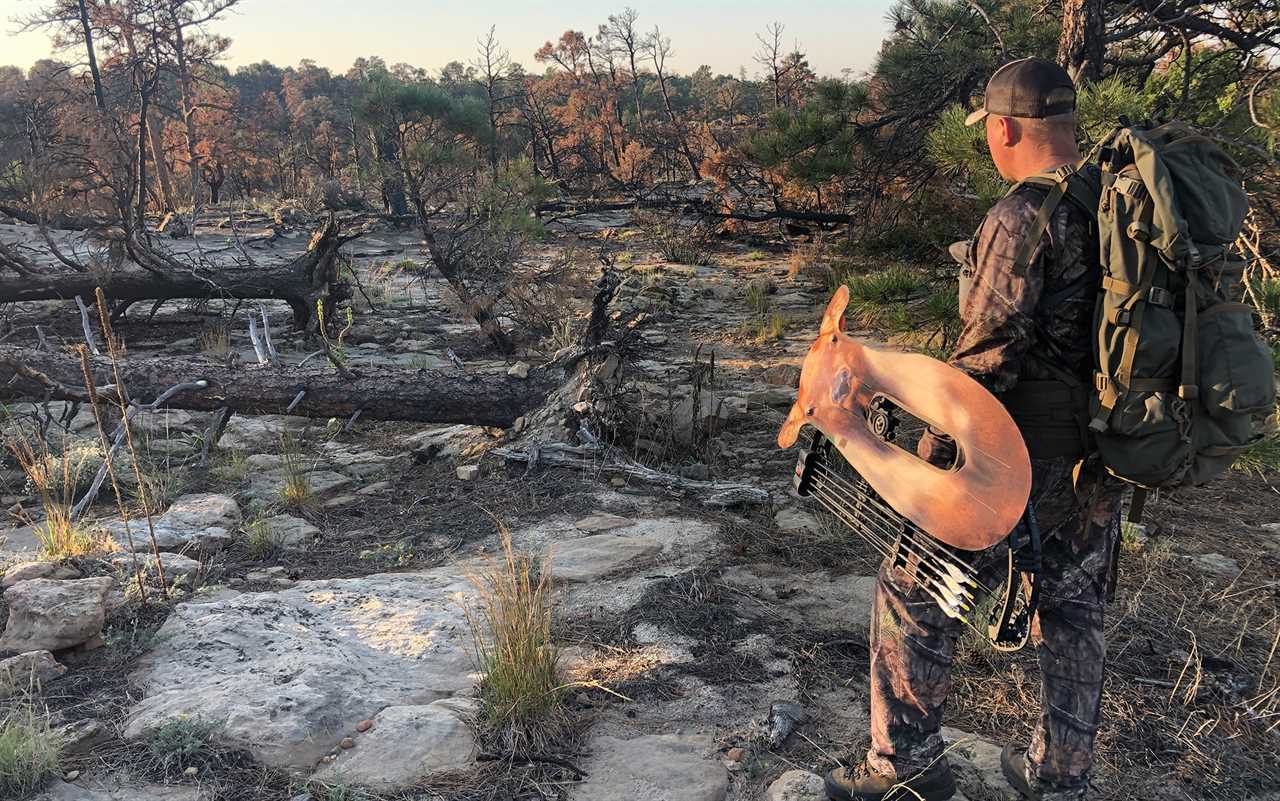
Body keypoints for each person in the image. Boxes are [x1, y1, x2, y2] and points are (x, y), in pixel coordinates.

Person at [824, 58, 1125, 801]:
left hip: (1015, 459)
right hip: (1102, 455)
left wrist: (927, 466)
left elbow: (984, 368)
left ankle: (905, 770)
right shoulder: (1114, 205)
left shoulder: (1023, 215)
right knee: (1076, 611)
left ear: (1003, 129)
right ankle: (1062, 778)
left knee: (912, 588)